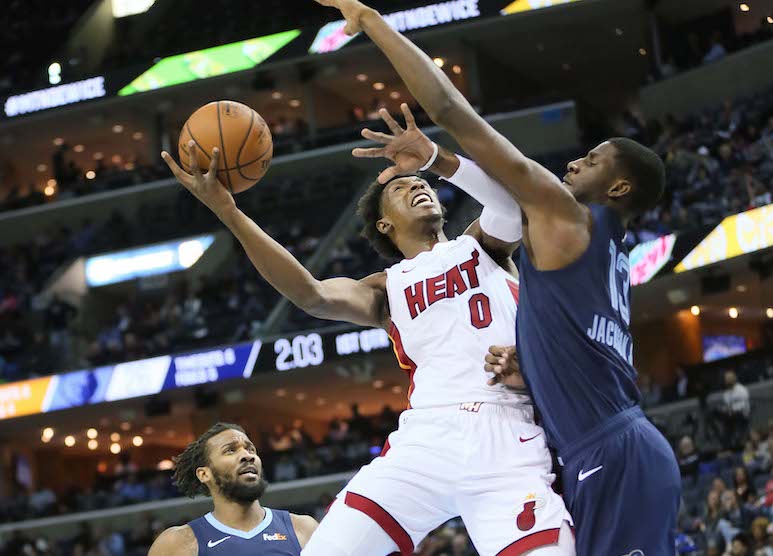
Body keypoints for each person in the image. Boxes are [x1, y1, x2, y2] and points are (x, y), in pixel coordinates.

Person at [313, 0, 681, 553]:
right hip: (609, 444)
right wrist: (529, 365)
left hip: (608, 451)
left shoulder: (566, 217)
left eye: (593, 159)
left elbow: (448, 106)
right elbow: (577, 347)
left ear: (619, 188)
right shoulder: (609, 251)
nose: (574, 162)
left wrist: (370, 22)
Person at [161, 131, 573, 553]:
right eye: (400, 188)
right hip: (426, 437)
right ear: (384, 224)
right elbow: (310, 294)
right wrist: (228, 212)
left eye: (421, 183)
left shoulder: (482, 246)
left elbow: (511, 203)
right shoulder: (386, 287)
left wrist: (435, 157)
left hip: (507, 430)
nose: (416, 186)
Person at [148, 423, 317, 555]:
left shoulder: (303, 529)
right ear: (204, 474)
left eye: (250, 449)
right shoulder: (177, 544)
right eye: (230, 450)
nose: (247, 455)